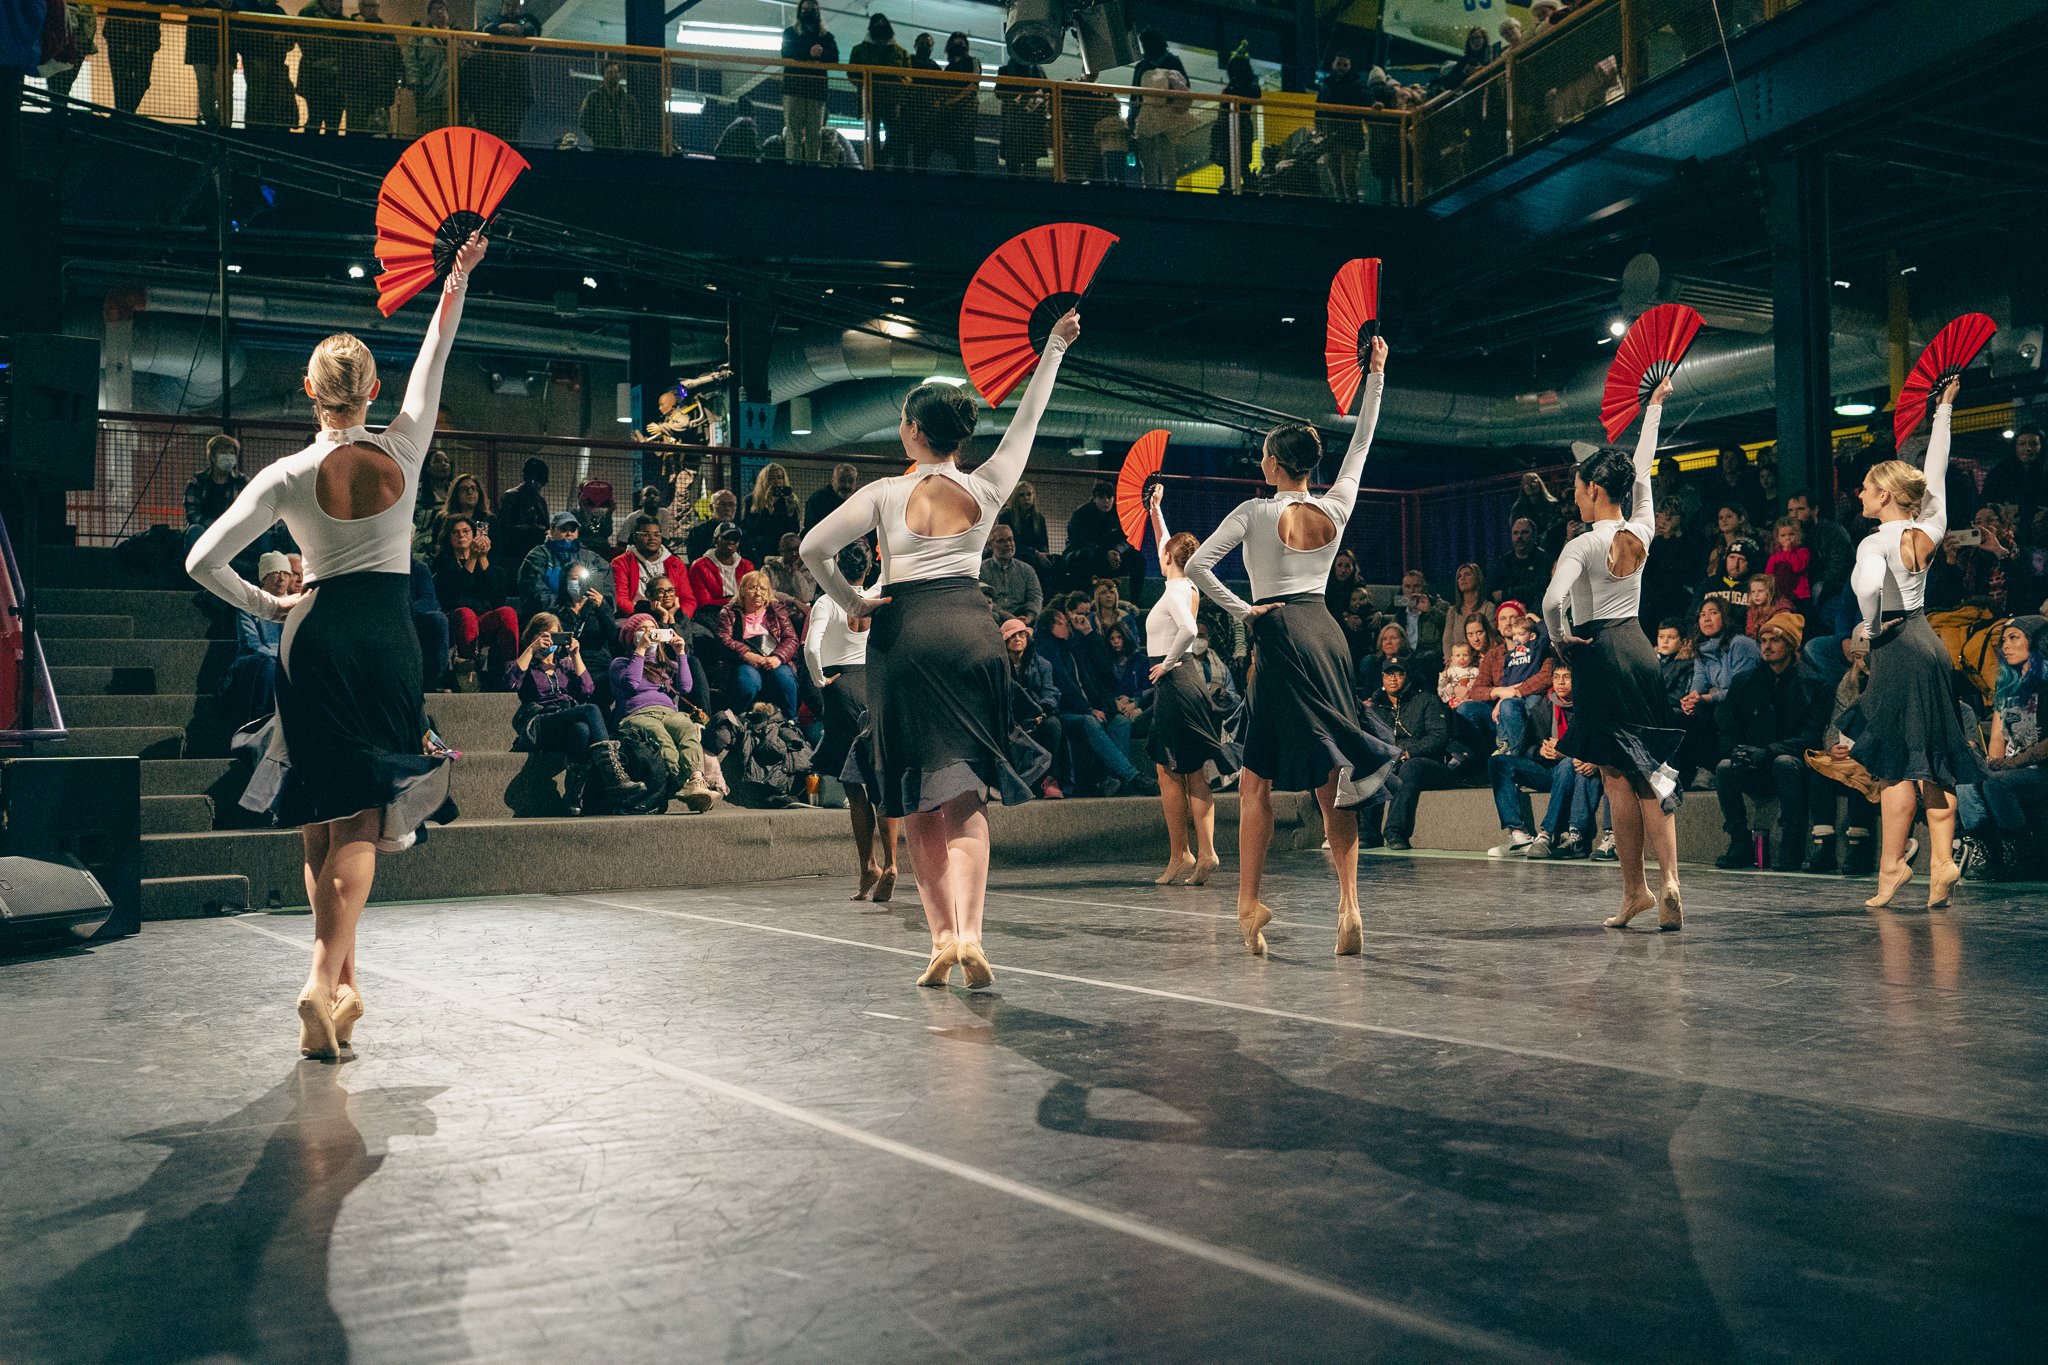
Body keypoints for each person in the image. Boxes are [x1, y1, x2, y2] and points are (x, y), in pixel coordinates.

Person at [185, 231, 487, 1061]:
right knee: (365, 811)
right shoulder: (404, 446)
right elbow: (437, 349)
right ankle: (322, 978)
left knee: (319, 814)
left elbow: (197, 559)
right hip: (384, 635)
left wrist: (268, 606)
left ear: (309, 391)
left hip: (311, 637)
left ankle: (345, 992)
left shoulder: (282, 475)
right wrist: (454, 277)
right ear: (371, 390)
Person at [799, 309, 1081, 993]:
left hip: (907, 635)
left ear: (913, 432)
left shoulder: (886, 492)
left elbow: (812, 550)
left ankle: (942, 937)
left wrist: (853, 601)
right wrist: (1053, 349)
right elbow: (1028, 422)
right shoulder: (986, 487)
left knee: (918, 797)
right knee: (966, 795)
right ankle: (975, 933)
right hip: (972, 630)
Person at [1187, 337, 1399, 959]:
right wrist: (1377, 376)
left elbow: (1199, 566)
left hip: (1279, 634)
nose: (1260, 462)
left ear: (1276, 464)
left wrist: (1243, 610)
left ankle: (1248, 904)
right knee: (1335, 775)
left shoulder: (1254, 511)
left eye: (1263, 456)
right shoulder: (1336, 505)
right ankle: (1350, 905)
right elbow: (1361, 442)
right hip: (1326, 632)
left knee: (1255, 780)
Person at [1833, 379, 1988, 909]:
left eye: (1867, 488)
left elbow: (1869, 587)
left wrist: (1871, 627)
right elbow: (1937, 470)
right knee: (1934, 758)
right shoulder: (1931, 526)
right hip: (1929, 641)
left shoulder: (1874, 541)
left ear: (1886, 497)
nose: (1859, 494)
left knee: (1897, 763)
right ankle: (1941, 862)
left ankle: (1893, 866)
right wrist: (1942, 411)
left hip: (1899, 644)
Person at [1542, 376, 1689, 928]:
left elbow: (1553, 599)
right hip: (1640, 646)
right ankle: (1670, 879)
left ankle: (1636, 890)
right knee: (1648, 768)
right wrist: (1652, 410)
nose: (1574, 493)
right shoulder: (1642, 528)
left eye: (1578, 486)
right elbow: (1644, 470)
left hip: (1599, 650)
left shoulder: (1582, 542)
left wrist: (1559, 638)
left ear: (1595, 492)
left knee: (1614, 774)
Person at [1136, 486, 1234, 884]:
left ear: (1168, 559)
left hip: (1176, 681)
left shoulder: (1176, 589)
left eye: (1162, 551)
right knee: (1189, 770)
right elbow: (1167, 543)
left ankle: (1183, 854)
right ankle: (1201, 853)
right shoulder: (1184, 583)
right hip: (1185, 681)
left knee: (1171, 771)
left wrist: (1167, 664)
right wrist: (1156, 512)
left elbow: (1190, 629)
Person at [805, 542, 900, 900]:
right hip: (875, 687)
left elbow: (811, 648)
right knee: (882, 780)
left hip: (841, 689)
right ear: (865, 568)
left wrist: (819, 680)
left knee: (853, 787)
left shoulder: (827, 602)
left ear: (835, 568)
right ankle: (891, 862)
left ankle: (867, 867)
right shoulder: (877, 597)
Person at [1711, 613, 1830, 871]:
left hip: (1792, 763)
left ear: (1790, 645)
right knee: (1724, 767)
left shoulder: (1813, 684)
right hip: (1755, 761)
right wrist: (1737, 751)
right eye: (1763, 640)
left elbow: (1810, 737)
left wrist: (1768, 751)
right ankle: (1739, 842)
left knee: (1785, 763)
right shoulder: (1746, 681)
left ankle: (1792, 845)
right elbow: (1728, 726)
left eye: (1775, 640)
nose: (1766, 645)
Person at [507, 612, 645, 816]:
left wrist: (575, 655)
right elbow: (510, 683)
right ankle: (613, 777)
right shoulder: (527, 665)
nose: (549, 640)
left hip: (566, 720)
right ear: (534, 636)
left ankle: (572, 795)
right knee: (591, 710)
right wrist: (531, 649)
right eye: (544, 635)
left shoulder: (565, 666)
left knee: (581, 730)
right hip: (539, 723)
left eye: (554, 635)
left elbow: (588, 690)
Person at [1958, 618, 2047, 880]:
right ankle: (1985, 849)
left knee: (1998, 784)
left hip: (2040, 768)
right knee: (1967, 777)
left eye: (2014, 638)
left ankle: (2018, 853)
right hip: (2014, 768)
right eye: (2004, 640)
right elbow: (1997, 736)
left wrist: (2012, 765)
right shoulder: (2007, 687)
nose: (2005, 646)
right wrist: (1989, 764)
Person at [1037, 607, 1148, 797]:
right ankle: (1131, 776)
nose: (1070, 626)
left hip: (1091, 706)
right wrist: (1088, 709)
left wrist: (1088, 632)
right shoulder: (1046, 646)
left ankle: (1117, 781)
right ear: (1052, 626)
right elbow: (1063, 684)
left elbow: (1103, 666)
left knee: (1121, 721)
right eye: (1064, 622)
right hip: (1062, 711)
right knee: (1089, 721)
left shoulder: (1072, 645)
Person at [611, 614, 717, 812]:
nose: (650, 634)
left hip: (668, 712)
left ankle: (696, 779)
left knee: (687, 728)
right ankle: (684, 783)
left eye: (653, 630)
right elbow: (631, 683)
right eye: (643, 630)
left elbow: (685, 687)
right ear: (631, 635)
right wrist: (641, 649)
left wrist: (681, 653)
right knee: (661, 737)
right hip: (637, 713)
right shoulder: (620, 663)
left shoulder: (665, 665)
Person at [1366, 658, 1455, 852]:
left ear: (1408, 676)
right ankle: (1368, 833)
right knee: (1371, 768)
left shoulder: (1426, 700)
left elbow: (1439, 736)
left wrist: (1410, 752)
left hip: (1429, 764)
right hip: (1391, 761)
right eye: (1388, 674)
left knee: (1410, 767)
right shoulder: (1376, 707)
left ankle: (1395, 831)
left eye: (1399, 673)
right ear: (1382, 677)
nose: (1393, 679)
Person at [1676, 597, 1759, 785]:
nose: (1706, 619)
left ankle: (1713, 768)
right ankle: (1688, 773)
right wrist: (1691, 698)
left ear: (1726, 617)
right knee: (1683, 714)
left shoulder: (1741, 644)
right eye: (1702, 615)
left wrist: (1707, 697)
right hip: (1718, 701)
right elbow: (1699, 681)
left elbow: (1742, 689)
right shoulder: (1703, 649)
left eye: (1713, 613)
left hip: (1746, 705)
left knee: (1718, 710)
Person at [432, 515, 515, 688]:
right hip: (455, 618)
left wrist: (482, 558)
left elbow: (497, 598)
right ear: (448, 537)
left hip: (483, 619)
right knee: (466, 613)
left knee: (508, 613)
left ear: (474, 535)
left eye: (465, 531)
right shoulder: (443, 563)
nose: (461, 535)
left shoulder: (488, 563)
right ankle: (467, 669)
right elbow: (454, 596)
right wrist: (472, 559)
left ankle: (511, 670)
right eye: (455, 532)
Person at [219, 550, 294, 728]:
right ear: (264, 578)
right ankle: (263, 724)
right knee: (269, 668)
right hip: (254, 661)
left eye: (286, 574)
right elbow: (251, 644)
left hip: (283, 662)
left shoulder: (295, 605)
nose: (282, 579)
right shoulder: (249, 606)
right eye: (275, 573)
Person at [715, 570, 800, 717]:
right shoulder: (729, 612)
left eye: (763, 589)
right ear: (742, 590)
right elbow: (723, 639)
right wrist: (746, 654)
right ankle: (735, 720)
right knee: (748, 682)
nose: (758, 593)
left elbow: (791, 639)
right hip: (745, 662)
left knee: (785, 679)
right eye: (753, 588)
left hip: (774, 659)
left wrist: (777, 658)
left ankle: (792, 721)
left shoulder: (776, 610)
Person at [1003, 617, 1065, 798]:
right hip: (1009, 716)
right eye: (1012, 635)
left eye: (1021, 634)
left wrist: (1043, 712)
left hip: (1037, 713)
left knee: (1054, 725)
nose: (1017, 639)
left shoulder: (1041, 663)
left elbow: (1050, 692)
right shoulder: (998, 666)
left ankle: (1050, 780)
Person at [519, 511, 614, 620]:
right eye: (563, 529)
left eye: (573, 530)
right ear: (552, 530)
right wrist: (567, 609)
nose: (569, 533)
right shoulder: (538, 556)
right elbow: (536, 595)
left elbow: (605, 592)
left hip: (585, 618)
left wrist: (585, 608)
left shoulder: (591, 558)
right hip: (549, 619)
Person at [470, 0, 541, 143]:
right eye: (508, 5)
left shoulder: (527, 21)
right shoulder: (491, 20)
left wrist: (515, 29)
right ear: (502, 7)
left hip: (517, 88)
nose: (510, 9)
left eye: (514, 6)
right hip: (492, 87)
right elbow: (481, 32)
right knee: (491, 130)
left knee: (512, 131)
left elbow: (531, 30)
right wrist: (501, 27)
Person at [1129, 28, 1190, 188]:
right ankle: (1162, 189)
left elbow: (1134, 96)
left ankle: (1159, 190)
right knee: (1158, 158)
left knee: (1159, 158)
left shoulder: (1145, 66)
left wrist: (1132, 120)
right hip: (1154, 116)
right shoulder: (1164, 62)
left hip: (1157, 116)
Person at [780, 0, 838, 165]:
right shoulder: (790, 33)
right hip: (794, 89)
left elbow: (835, 58)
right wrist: (809, 52)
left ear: (818, 12)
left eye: (812, 9)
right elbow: (786, 53)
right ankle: (794, 168)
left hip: (815, 91)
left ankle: (812, 168)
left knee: (814, 133)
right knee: (794, 133)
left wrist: (822, 52)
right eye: (805, 9)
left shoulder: (826, 37)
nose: (808, 13)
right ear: (800, 11)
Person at [849, 14, 909, 167]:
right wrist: (864, 87)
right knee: (872, 135)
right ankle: (876, 166)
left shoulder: (901, 52)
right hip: (870, 99)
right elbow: (852, 74)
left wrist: (899, 87)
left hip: (892, 100)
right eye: (877, 23)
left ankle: (881, 163)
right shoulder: (859, 50)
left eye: (882, 23)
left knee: (895, 135)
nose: (880, 26)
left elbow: (908, 76)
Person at [611, 512, 693, 617]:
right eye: (646, 534)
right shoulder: (621, 563)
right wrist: (649, 617)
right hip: (637, 617)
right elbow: (620, 599)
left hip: (672, 616)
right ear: (635, 537)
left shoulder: (676, 563)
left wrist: (679, 617)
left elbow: (688, 599)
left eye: (656, 534)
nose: (652, 538)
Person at [235, 0, 299, 130]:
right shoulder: (249, 11)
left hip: (272, 62)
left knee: (270, 98)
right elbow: (242, 39)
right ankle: (256, 128)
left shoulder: (277, 12)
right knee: (258, 97)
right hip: (257, 60)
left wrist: (280, 40)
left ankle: (267, 127)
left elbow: (289, 39)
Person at [1316, 51, 1370, 202]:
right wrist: (1320, 129)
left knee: (1348, 173)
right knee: (1334, 172)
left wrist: (1372, 105)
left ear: (1350, 67)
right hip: (1330, 135)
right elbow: (1319, 109)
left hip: (1349, 135)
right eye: (1339, 64)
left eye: (1345, 65)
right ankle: (1340, 201)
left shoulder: (1356, 83)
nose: (1341, 68)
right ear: (1333, 65)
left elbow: (1365, 98)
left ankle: (1352, 202)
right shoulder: (1326, 85)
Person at [184, 435, 249, 555]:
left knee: (263, 536)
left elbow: (249, 510)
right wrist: (213, 525)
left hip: (234, 530)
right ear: (213, 457)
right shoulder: (198, 481)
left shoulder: (242, 481)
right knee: (194, 531)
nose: (229, 456)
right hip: (205, 530)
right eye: (224, 452)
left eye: (231, 453)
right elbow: (192, 514)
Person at [1981, 425, 2046, 538]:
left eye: (2033, 444)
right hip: (2007, 534)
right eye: (2022, 444)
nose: (2028, 448)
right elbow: (1987, 501)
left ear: (2042, 446)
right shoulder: (1999, 473)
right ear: (2015, 447)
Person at [348, 0, 402, 135]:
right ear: (361, 8)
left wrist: (398, 79)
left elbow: (396, 57)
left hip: (382, 92)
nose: (372, 10)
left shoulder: (386, 31)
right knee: (357, 134)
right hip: (358, 92)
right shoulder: (352, 29)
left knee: (382, 132)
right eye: (369, 6)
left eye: (375, 6)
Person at [295, 0, 348, 134]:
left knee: (332, 122)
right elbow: (304, 41)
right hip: (317, 79)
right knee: (316, 119)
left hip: (336, 81)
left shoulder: (343, 21)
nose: (334, 4)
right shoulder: (310, 13)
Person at [995, 52, 1049, 178]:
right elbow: (999, 93)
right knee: (1018, 160)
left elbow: (1047, 90)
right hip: (1017, 121)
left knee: (1027, 161)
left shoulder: (1036, 69)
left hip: (1026, 122)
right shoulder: (1035, 69)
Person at [102, 0, 161, 114]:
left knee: (140, 81)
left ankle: (123, 114)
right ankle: (124, 114)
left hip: (143, 42)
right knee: (121, 82)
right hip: (119, 40)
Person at [403, 0, 453, 133]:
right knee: (429, 134)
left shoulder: (455, 36)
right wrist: (416, 87)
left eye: (442, 8)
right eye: (435, 9)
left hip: (452, 99)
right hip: (429, 96)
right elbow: (412, 61)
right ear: (429, 15)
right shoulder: (420, 36)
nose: (439, 12)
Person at [687, 521, 754, 618]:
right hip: (712, 616)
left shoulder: (747, 566)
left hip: (744, 614)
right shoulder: (699, 566)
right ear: (716, 540)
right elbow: (704, 603)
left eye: (735, 539)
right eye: (726, 537)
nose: (731, 541)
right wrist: (735, 601)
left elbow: (751, 597)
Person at [740, 463, 802, 565]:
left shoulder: (788, 500)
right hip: (761, 553)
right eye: (772, 478)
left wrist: (791, 511)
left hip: (783, 553)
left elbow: (794, 531)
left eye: (780, 478)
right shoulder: (751, 500)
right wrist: (768, 508)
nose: (777, 482)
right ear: (764, 481)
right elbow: (753, 530)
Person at [937, 32, 982, 173]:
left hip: (967, 112)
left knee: (966, 147)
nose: (959, 44)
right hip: (951, 114)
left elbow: (974, 84)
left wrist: (954, 100)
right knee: (956, 149)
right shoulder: (949, 68)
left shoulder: (973, 61)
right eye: (956, 42)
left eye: (961, 42)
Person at [979, 523, 1042, 622]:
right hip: (995, 618)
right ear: (991, 545)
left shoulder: (1027, 570)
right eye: (1001, 541)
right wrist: (1008, 617)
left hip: (1023, 619)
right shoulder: (981, 569)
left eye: (1010, 539)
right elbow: (984, 600)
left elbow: (1035, 597)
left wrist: (1029, 618)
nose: (1008, 544)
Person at [497, 457, 551, 568]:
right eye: (534, 481)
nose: (537, 486)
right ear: (526, 478)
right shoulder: (511, 496)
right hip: (514, 554)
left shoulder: (540, 501)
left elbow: (546, 526)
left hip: (535, 554)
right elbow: (502, 526)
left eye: (540, 482)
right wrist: (528, 529)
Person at [1489, 517, 1552, 606]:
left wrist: (1505, 594)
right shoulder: (1503, 562)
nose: (1519, 537)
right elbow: (1491, 590)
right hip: (1507, 612)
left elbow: (1539, 587)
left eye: (1524, 532)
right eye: (1516, 533)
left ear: (1534, 535)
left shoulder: (1545, 559)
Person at [410, 555, 450, 692]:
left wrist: (403, 610)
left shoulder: (419, 568)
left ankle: (437, 680)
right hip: (384, 618)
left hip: (411, 617)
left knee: (438, 620)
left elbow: (429, 600)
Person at [577, 60, 635, 151]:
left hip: (624, 148)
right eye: (610, 73)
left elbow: (636, 121)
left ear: (620, 75)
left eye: (616, 72)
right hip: (602, 148)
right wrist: (597, 136)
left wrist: (630, 138)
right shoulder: (594, 97)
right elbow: (584, 120)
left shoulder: (629, 100)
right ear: (603, 75)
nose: (613, 76)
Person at [1765, 517, 1813, 616]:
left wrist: (1789, 551)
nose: (1787, 538)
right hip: (1781, 596)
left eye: (1791, 534)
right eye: (1783, 535)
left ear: (1798, 535)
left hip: (1800, 597)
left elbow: (1798, 567)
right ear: (1777, 538)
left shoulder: (1803, 552)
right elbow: (1768, 577)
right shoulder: (1774, 557)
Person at [765, 532, 817, 608]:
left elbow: (806, 598)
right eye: (789, 550)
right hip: (776, 612)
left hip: (802, 613)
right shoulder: (768, 569)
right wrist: (792, 600)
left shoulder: (809, 570)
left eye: (797, 549)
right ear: (781, 552)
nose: (794, 554)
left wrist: (795, 570)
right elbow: (766, 592)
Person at [687, 488, 740, 560]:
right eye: (722, 504)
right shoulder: (697, 532)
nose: (727, 508)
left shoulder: (742, 532)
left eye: (731, 505)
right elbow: (695, 561)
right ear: (711, 508)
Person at [804, 462, 859, 531]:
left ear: (856, 483)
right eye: (842, 480)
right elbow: (810, 526)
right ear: (833, 481)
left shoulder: (862, 499)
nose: (846, 485)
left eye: (850, 481)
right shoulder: (818, 499)